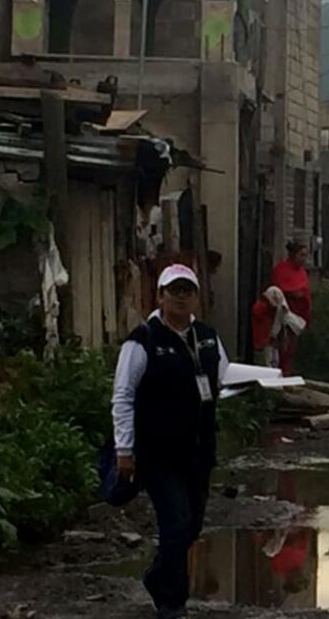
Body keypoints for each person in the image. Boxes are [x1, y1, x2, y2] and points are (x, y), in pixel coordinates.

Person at [111, 264, 229, 619]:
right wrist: (124, 450)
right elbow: (123, 395)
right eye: (173, 290)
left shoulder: (207, 336)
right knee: (175, 524)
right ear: (160, 295)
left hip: (199, 452)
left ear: (196, 296)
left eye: (187, 290)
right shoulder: (143, 340)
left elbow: (223, 379)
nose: (180, 297)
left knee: (191, 526)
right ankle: (172, 603)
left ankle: (157, 575)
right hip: (159, 454)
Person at [271, 239, 313, 376]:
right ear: (293, 255)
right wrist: (293, 293)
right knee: (283, 347)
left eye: (306, 255)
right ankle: (280, 374)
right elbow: (277, 289)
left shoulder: (302, 272)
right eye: (301, 255)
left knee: (292, 349)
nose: (304, 259)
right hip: (284, 314)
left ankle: (288, 373)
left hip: (299, 314)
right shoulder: (281, 269)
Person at [250, 286, 306, 369]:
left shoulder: (276, 312)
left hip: (272, 341)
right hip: (265, 342)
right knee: (268, 364)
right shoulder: (261, 307)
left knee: (275, 362)